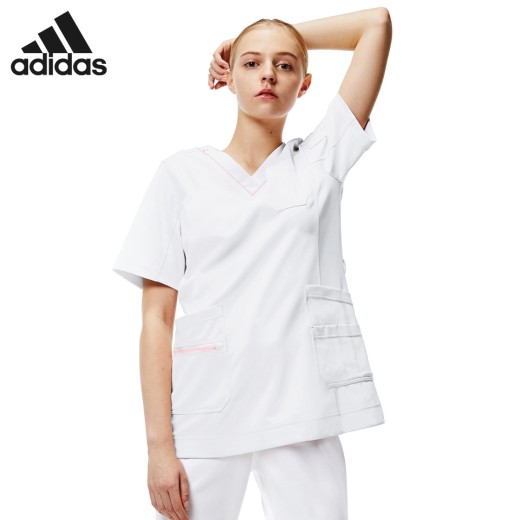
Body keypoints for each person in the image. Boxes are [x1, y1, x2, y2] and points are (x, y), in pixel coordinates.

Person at [112, 7, 392, 520]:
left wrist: (268, 37)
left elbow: (376, 24)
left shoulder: (321, 160)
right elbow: (157, 318)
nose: (268, 74)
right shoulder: (180, 176)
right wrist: (158, 448)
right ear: (229, 77)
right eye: (251, 63)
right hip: (207, 412)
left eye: (285, 65)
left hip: (304, 408)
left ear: (304, 84)